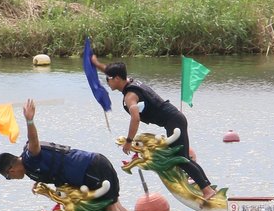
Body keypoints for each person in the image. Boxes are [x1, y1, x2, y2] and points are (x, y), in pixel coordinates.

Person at [0, 100, 146, 211]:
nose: (11, 179)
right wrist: (39, 180)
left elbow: (34, 141)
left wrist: (29, 121)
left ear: (11, 168)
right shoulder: (30, 168)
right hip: (93, 166)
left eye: (8, 176)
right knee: (115, 205)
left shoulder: (30, 156)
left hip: (92, 169)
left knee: (112, 209)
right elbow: (49, 168)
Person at [90, 54, 218, 199]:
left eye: (108, 79)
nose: (107, 82)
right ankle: (206, 186)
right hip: (174, 119)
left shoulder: (130, 96)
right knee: (182, 158)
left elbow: (135, 119)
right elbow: (112, 70)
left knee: (179, 159)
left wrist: (129, 141)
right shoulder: (128, 80)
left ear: (117, 79)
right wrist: (96, 64)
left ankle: (207, 190)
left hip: (173, 121)